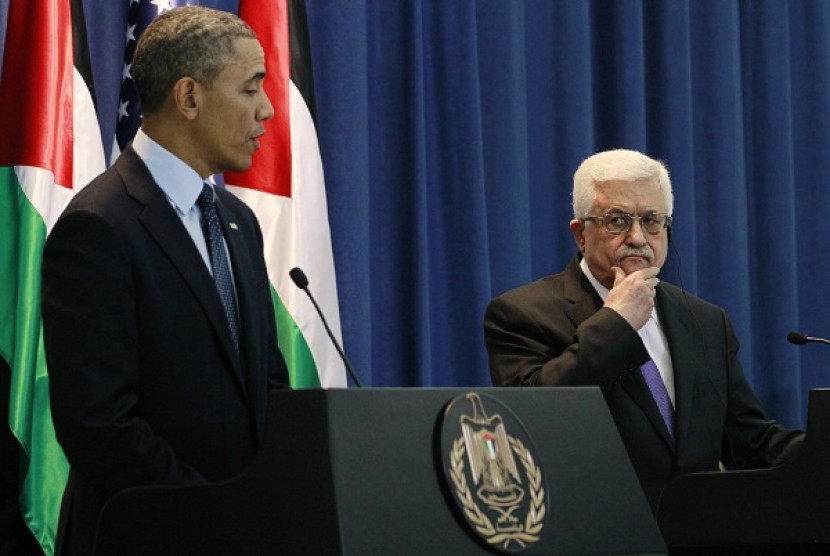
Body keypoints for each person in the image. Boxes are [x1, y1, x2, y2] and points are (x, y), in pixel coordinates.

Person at [41, 7, 290, 555]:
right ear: (190, 97)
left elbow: (267, 390)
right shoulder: (98, 226)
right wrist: (213, 513)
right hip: (148, 537)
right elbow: (99, 426)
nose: (268, 110)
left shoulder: (236, 220)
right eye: (251, 89)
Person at [483, 148, 803, 512]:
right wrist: (617, 323)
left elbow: (751, 440)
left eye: (652, 221)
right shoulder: (522, 314)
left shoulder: (705, 321)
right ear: (580, 234)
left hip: (699, 536)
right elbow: (535, 419)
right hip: (595, 535)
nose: (638, 237)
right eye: (617, 221)